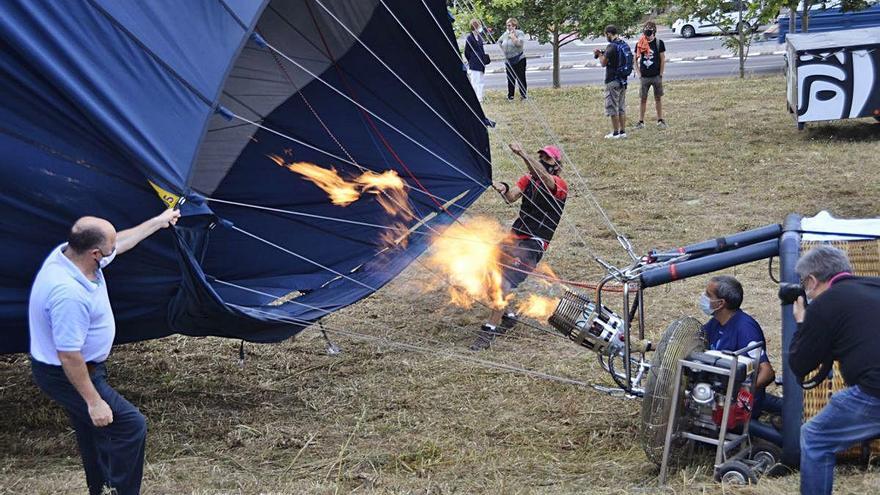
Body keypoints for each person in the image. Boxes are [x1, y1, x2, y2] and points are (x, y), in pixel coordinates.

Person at [29, 209, 181, 495]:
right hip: (66, 372)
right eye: (108, 247)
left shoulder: (71, 255)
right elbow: (68, 355)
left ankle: (100, 487)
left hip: (84, 366)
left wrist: (157, 221)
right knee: (129, 426)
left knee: (93, 430)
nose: (113, 250)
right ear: (95, 253)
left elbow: (120, 242)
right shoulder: (67, 293)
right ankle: (121, 490)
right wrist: (93, 401)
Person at [790, 246, 880, 495]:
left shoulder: (826, 303)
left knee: (816, 437)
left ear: (811, 281)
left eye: (804, 284)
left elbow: (800, 364)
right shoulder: (874, 286)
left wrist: (802, 323)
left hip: (875, 390)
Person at [470, 142, 567, 351]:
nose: (543, 160)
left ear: (557, 165)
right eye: (540, 156)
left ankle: (489, 330)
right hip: (514, 237)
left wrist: (523, 153)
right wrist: (503, 188)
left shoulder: (559, 185)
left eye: (548, 158)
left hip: (534, 243)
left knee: (503, 283)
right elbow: (511, 197)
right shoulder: (528, 179)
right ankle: (507, 316)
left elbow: (545, 178)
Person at [700, 276, 781, 430]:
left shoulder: (745, 329)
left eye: (708, 295)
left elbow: (768, 372)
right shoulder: (715, 322)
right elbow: (691, 340)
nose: (703, 298)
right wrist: (650, 346)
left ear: (720, 303)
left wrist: (742, 393)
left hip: (739, 406)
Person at [594, 25, 630, 139]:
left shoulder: (611, 46)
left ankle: (615, 133)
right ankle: (623, 131)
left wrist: (599, 55)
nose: (606, 37)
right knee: (621, 107)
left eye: (606, 35)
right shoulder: (623, 44)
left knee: (612, 107)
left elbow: (603, 63)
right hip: (623, 80)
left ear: (609, 33)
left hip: (612, 80)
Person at [634, 21, 667, 130]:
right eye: (646, 28)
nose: (647, 31)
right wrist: (639, 74)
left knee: (658, 98)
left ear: (654, 31)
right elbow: (634, 60)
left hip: (656, 76)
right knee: (643, 99)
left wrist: (661, 74)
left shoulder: (659, 43)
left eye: (650, 29)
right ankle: (641, 121)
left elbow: (662, 59)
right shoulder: (640, 43)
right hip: (644, 77)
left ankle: (660, 119)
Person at [498, 17, 527, 101]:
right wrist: (504, 50)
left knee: (521, 78)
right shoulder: (505, 34)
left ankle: (523, 95)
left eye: (509, 25)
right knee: (510, 79)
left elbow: (519, 44)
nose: (508, 27)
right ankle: (510, 96)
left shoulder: (519, 33)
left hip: (519, 59)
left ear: (514, 26)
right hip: (508, 60)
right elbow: (499, 41)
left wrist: (513, 37)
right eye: (507, 25)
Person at [463, 19, 488, 103]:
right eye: (479, 26)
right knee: (475, 81)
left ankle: (480, 97)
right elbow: (466, 51)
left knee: (480, 81)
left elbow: (482, 49)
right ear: (475, 27)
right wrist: (472, 59)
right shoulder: (470, 38)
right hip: (474, 63)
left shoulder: (479, 37)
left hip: (481, 62)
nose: (480, 28)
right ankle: (475, 99)